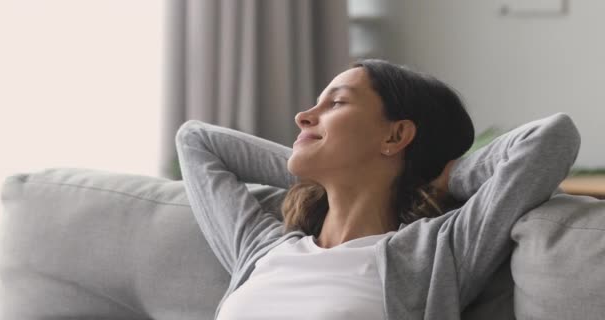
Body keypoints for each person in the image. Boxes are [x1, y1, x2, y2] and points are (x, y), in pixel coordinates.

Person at [175, 59, 581, 320]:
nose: (304, 116)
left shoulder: (439, 250)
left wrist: (441, 178)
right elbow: (196, 140)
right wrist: (322, 170)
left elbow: (551, 137)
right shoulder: (263, 247)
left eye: (335, 103)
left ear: (397, 134)